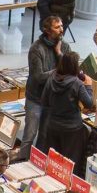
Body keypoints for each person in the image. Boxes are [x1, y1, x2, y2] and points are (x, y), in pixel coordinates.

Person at [38, 52, 94, 177]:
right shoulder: (76, 83)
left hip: (53, 126)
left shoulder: (51, 78)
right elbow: (89, 103)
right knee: (70, 163)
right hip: (72, 129)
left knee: (54, 161)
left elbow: (44, 101)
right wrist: (89, 86)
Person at [25, 16, 71, 156]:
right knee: (30, 134)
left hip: (52, 99)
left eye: (61, 26)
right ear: (47, 30)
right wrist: (59, 71)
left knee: (44, 136)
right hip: (36, 98)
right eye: (57, 27)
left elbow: (70, 69)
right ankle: (22, 160)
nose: (61, 29)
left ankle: (36, 161)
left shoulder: (64, 46)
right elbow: (39, 77)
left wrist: (59, 53)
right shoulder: (36, 49)